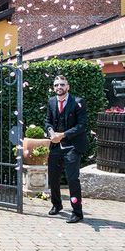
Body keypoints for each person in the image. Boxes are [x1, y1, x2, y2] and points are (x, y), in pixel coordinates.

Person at [45, 74, 88, 223]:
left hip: (72, 146)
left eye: (62, 84)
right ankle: (57, 205)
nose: (59, 87)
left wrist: (62, 135)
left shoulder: (77, 102)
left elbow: (82, 125)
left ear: (67, 87)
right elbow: (48, 122)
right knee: (53, 177)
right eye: (56, 85)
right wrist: (51, 133)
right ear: (53, 87)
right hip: (56, 145)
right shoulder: (51, 101)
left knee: (72, 178)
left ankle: (77, 212)